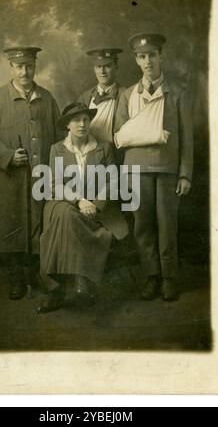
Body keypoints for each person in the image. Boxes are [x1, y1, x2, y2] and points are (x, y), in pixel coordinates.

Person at [114, 33, 193, 301]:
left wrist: (185, 174)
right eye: (142, 56)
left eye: (152, 55)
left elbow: (185, 137)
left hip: (168, 168)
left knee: (167, 225)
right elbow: (120, 136)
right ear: (136, 60)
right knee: (142, 225)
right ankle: (151, 276)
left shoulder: (177, 93)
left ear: (161, 57)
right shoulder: (127, 95)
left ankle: (169, 278)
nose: (148, 61)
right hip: (136, 169)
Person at [0, 46, 61, 300]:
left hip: (41, 177)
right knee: (13, 225)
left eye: (29, 66)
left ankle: (36, 274)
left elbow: (59, 136)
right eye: (19, 66)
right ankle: (16, 277)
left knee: (39, 223)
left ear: (35, 67)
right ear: (11, 68)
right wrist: (8, 156)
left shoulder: (47, 98)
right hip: (10, 179)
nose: (24, 71)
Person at [37, 102, 128, 313]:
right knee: (65, 212)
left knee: (66, 218)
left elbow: (113, 182)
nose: (82, 124)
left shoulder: (103, 148)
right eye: (76, 120)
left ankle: (55, 289)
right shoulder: (57, 149)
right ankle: (81, 281)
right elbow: (54, 185)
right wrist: (79, 201)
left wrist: (96, 203)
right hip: (65, 202)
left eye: (86, 119)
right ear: (67, 125)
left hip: (96, 209)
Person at [78, 48, 125, 146]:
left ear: (116, 68)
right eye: (98, 67)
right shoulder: (85, 97)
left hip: (116, 156)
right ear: (94, 69)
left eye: (107, 66)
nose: (102, 71)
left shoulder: (127, 95)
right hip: (90, 156)